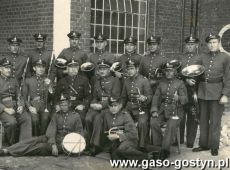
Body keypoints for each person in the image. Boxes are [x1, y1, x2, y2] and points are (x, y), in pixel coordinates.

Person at [0, 93, 84, 157]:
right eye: (61, 105)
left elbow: (79, 134)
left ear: (70, 104)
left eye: (65, 104)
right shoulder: (56, 115)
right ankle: (6, 150)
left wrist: (60, 145)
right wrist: (53, 143)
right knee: (32, 140)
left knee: (39, 147)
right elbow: (51, 130)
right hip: (53, 138)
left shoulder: (75, 116)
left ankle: (10, 152)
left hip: (64, 144)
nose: (63, 107)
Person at [192, 33, 230, 156]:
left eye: (214, 42)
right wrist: (188, 78)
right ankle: (203, 144)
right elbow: (193, 70)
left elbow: (228, 77)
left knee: (215, 121)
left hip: (217, 92)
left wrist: (225, 94)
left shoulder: (225, 58)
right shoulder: (202, 57)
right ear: (207, 44)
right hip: (203, 91)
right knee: (203, 120)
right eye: (210, 43)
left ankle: (214, 146)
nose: (212, 45)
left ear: (219, 43)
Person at [150, 61, 188, 160]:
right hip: (163, 110)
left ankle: (165, 150)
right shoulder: (161, 83)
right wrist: (154, 110)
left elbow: (185, 99)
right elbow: (156, 97)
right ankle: (158, 148)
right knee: (153, 122)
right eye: (166, 71)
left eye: (171, 71)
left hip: (176, 111)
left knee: (171, 125)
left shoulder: (180, 83)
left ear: (175, 71)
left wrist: (179, 98)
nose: (168, 73)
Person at [85, 60, 122, 152]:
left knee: (98, 118)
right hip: (97, 105)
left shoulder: (115, 80)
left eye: (104, 69)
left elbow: (115, 98)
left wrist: (101, 106)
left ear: (109, 69)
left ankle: (96, 145)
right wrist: (92, 104)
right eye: (100, 69)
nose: (102, 71)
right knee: (88, 118)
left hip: (109, 107)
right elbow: (94, 96)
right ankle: (88, 143)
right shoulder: (97, 81)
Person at [121, 59, 152, 150]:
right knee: (120, 119)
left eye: (132, 68)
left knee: (142, 123)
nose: (129, 71)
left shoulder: (144, 80)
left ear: (137, 69)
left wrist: (145, 98)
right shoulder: (126, 81)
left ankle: (142, 146)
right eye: (128, 69)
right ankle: (125, 143)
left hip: (142, 108)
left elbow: (150, 95)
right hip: (129, 108)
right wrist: (120, 108)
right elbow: (123, 97)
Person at [0, 58, 32, 145]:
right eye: (6, 68)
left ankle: (24, 144)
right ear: (0, 69)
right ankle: (13, 145)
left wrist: (21, 105)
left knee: (26, 118)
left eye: (10, 68)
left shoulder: (14, 80)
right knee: (12, 123)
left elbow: (19, 95)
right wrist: (5, 109)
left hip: (16, 107)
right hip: (3, 109)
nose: (9, 70)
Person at [178, 34, 201, 147]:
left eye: (192, 44)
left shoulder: (200, 58)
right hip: (182, 89)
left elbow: (203, 73)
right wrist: (185, 80)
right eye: (188, 44)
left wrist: (195, 81)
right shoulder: (181, 58)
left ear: (196, 45)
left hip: (194, 90)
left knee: (192, 115)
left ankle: (190, 141)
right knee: (181, 115)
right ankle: (179, 139)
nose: (190, 46)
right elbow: (177, 73)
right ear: (185, 45)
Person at [54, 59, 91, 126]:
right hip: (65, 104)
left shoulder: (84, 80)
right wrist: (57, 105)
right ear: (67, 68)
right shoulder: (62, 81)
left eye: (76, 67)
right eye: (71, 67)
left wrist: (83, 105)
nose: (74, 69)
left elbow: (88, 96)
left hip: (78, 104)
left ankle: (78, 135)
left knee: (81, 117)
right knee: (56, 117)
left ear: (78, 68)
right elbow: (56, 95)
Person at [23, 58, 53, 136]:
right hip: (33, 105)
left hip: (44, 105)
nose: (41, 69)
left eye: (43, 67)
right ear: (34, 68)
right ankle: (35, 139)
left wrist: (49, 87)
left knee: (45, 119)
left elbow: (51, 98)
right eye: (39, 67)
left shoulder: (48, 80)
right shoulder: (28, 80)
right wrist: (29, 107)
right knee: (34, 120)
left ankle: (42, 138)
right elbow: (24, 96)